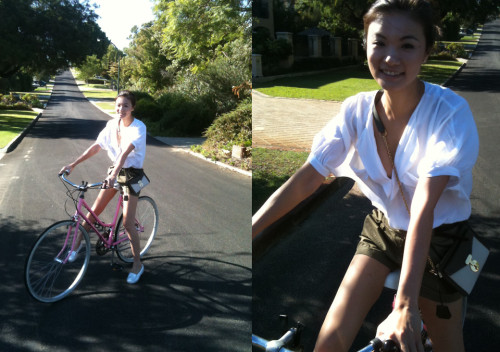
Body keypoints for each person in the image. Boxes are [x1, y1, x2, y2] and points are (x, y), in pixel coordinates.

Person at [252, 1, 479, 351]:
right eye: (380, 42)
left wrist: (405, 304)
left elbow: (423, 205)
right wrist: (252, 229)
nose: (391, 57)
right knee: (328, 343)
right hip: (383, 229)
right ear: (366, 46)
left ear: (426, 52)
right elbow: (309, 177)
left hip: (440, 240)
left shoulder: (448, 112)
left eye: (406, 44)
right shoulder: (355, 110)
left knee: (448, 345)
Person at [60, 90, 147, 285]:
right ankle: (75, 247)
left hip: (132, 174)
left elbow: (125, 153)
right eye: (118, 105)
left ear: (132, 107)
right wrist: (73, 164)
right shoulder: (111, 125)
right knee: (92, 213)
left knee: (127, 223)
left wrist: (113, 174)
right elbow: (97, 146)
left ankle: (137, 265)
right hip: (115, 171)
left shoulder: (138, 127)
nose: (121, 109)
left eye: (125, 105)